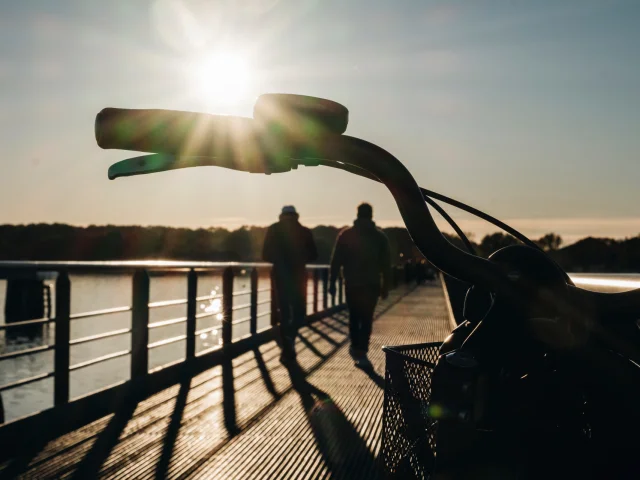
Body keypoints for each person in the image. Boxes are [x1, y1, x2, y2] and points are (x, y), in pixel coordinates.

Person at [329, 203, 391, 368]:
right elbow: (386, 265)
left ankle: (356, 348)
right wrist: (385, 287)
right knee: (367, 317)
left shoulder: (346, 235)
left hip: (352, 283)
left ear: (357, 214)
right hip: (372, 284)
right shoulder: (380, 237)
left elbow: (336, 261)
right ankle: (362, 350)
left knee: (354, 316)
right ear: (371, 215)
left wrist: (332, 283)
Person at [263, 206, 318, 364]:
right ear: (296, 216)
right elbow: (314, 254)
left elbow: (265, 254)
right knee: (298, 312)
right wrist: (300, 260)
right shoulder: (304, 231)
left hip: (280, 275)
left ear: (281, 216)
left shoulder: (273, 230)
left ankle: (287, 345)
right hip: (298, 276)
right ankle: (290, 342)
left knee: (284, 311)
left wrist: (279, 261)